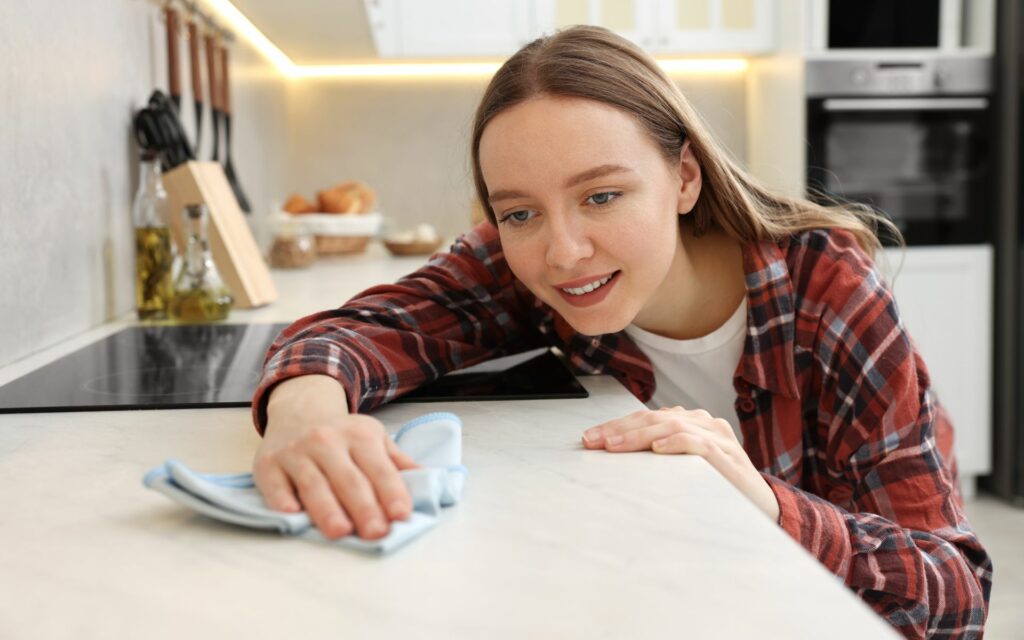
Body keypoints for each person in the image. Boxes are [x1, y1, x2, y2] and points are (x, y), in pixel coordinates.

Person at [251, 25, 991, 638]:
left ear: (684, 179)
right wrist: (303, 417)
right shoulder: (524, 264)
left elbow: (954, 596)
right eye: (519, 212)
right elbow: (360, 329)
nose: (562, 251)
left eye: (602, 195)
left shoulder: (826, 288)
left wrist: (763, 500)